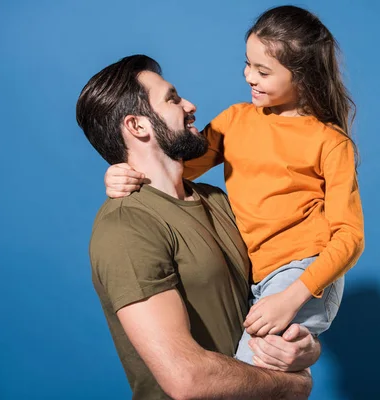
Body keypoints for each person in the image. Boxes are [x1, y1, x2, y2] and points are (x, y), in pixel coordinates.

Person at [105, 5, 364, 365]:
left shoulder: (330, 142)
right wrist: (124, 173)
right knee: (244, 372)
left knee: (245, 375)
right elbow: (175, 172)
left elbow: (350, 236)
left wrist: (292, 296)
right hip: (256, 277)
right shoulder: (235, 120)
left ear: (302, 76)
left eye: (263, 71)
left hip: (304, 272)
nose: (249, 77)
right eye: (247, 64)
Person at [76, 54, 320, 400]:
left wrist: (304, 350)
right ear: (137, 126)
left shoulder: (216, 199)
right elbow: (187, 380)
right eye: (173, 99)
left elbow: (271, 296)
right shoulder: (126, 227)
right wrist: (294, 384)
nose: (191, 105)